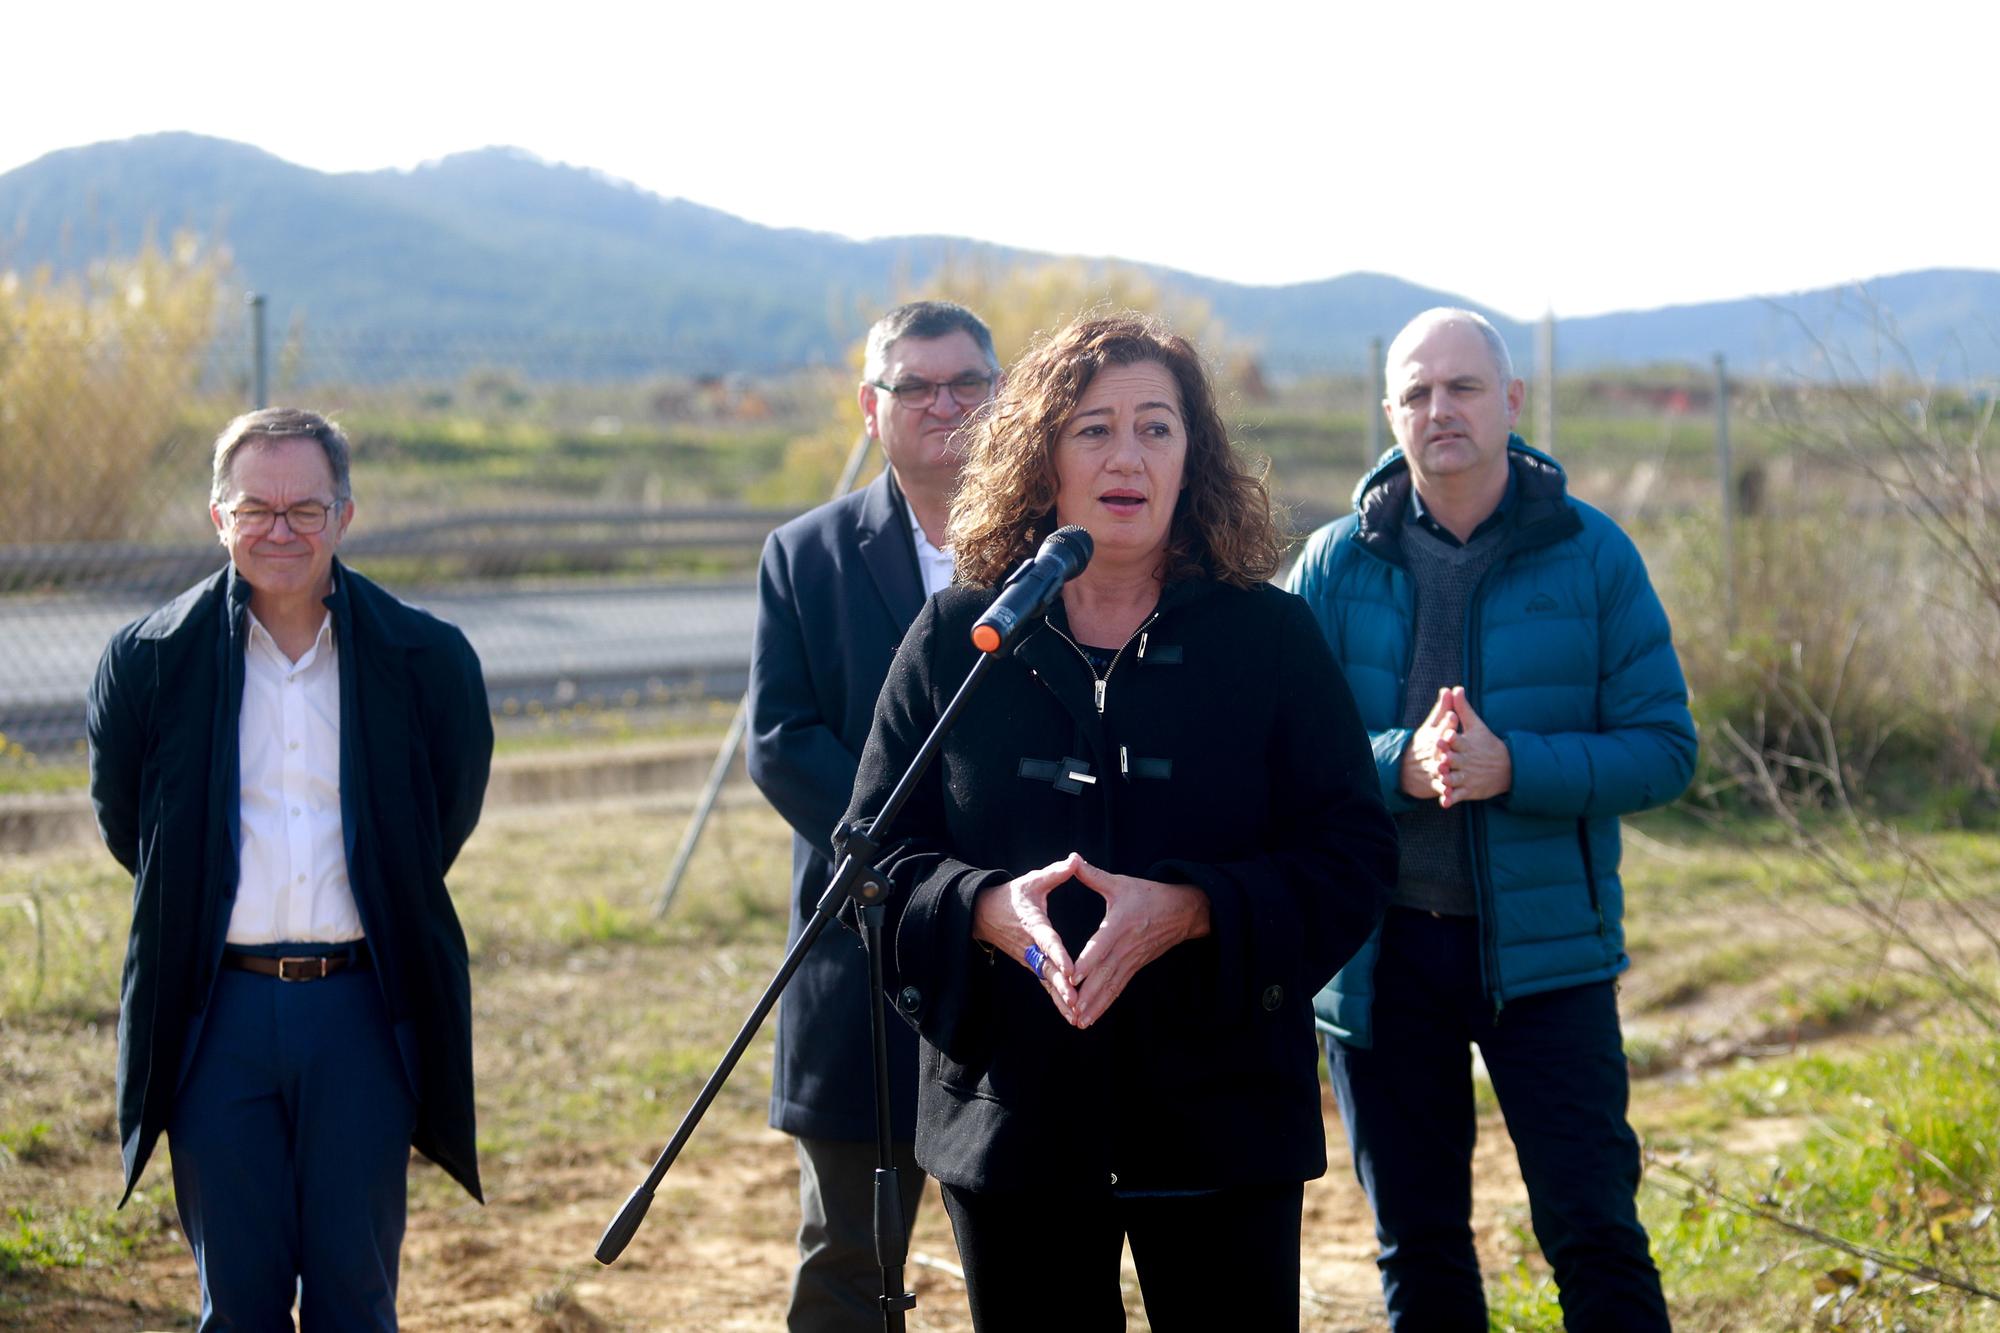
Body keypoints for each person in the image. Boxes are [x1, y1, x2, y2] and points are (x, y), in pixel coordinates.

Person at [841, 312, 1398, 1330]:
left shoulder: (1269, 635)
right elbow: (868, 865)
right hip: (1012, 1122)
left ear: (1195, 456)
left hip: (1218, 1120)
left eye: (1155, 426)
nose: (1125, 455)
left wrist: (1188, 910)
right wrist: (982, 909)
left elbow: (1352, 854)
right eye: (1092, 429)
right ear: (1040, 453)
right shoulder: (959, 633)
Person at [1286, 308, 1697, 1331]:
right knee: (1417, 1245)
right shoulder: (1330, 565)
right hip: (1382, 961)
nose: (1439, 410)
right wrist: (1401, 766)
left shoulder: (1591, 554)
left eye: (1461, 387)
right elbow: (1277, 757)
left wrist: (1512, 764)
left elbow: (1664, 748)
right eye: (1416, 392)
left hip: (1548, 960)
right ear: (1389, 413)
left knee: (1592, 1229)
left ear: (1510, 402)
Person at [86, 407, 493, 1330]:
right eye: (256, 508)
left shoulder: (425, 660)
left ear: (344, 516)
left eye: (304, 510)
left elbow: (437, 826)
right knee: (239, 1301)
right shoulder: (150, 662)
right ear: (217, 517)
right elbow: (134, 833)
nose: (280, 530)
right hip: (215, 1012)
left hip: (360, 1007)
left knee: (355, 1296)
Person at [746, 300, 1000, 1330]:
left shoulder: (1063, 553)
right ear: (869, 407)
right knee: (849, 1253)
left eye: (966, 383)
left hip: (1018, 951)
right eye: (914, 385)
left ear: (1002, 398)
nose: (942, 404)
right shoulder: (803, 555)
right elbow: (781, 738)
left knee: (1029, 1254)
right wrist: (906, 856)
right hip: (862, 946)